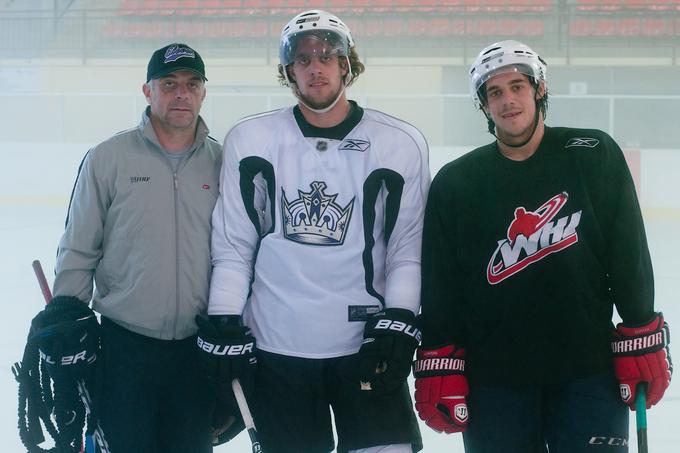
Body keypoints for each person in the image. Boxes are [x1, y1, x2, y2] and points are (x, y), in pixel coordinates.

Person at [413, 39, 673, 452]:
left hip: (587, 372)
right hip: (495, 381)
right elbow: (443, 282)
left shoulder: (593, 155)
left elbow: (628, 253)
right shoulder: (457, 182)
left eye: (517, 86)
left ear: (539, 89)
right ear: (483, 105)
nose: (507, 101)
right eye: (494, 93)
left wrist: (640, 324)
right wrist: (439, 354)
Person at [196, 9, 428, 453]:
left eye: (327, 55)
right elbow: (234, 246)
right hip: (276, 348)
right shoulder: (252, 139)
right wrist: (225, 318)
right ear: (289, 71)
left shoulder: (398, 142)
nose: (315, 66)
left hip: (366, 345)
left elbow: (405, 249)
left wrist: (400, 320)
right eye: (303, 59)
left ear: (346, 64)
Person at [33, 43, 230, 452]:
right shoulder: (108, 158)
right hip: (125, 347)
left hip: (197, 350)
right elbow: (79, 248)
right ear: (147, 91)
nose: (181, 93)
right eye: (169, 83)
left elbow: (240, 252)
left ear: (203, 93)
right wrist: (69, 318)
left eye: (192, 84)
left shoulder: (224, 163)